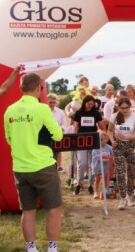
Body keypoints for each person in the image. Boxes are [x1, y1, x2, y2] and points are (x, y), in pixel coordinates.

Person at [4, 73, 63, 252]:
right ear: (39, 88)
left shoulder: (10, 110)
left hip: (20, 169)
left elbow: (9, 139)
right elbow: (58, 136)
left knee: (28, 211)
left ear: (21, 88)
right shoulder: (42, 108)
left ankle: (32, 249)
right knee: (53, 209)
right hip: (43, 166)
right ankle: (52, 249)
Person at [107, 97, 135, 210]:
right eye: (122, 108)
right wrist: (112, 141)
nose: (125, 110)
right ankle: (122, 198)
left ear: (130, 107)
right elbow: (109, 130)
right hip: (118, 145)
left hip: (131, 145)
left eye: (127, 108)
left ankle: (130, 195)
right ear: (119, 107)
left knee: (131, 171)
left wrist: (126, 136)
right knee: (120, 171)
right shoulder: (115, 116)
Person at [72, 95, 106, 195]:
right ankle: (79, 182)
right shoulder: (79, 113)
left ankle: (91, 184)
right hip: (81, 140)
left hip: (93, 140)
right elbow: (75, 128)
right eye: (88, 104)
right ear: (84, 103)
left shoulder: (96, 113)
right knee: (81, 163)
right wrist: (74, 141)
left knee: (93, 164)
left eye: (92, 104)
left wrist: (102, 134)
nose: (90, 106)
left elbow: (102, 126)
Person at [47, 93, 68, 172]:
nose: (52, 101)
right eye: (50, 99)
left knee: (58, 151)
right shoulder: (43, 111)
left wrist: (60, 129)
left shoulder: (60, 112)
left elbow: (64, 124)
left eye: (54, 99)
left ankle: (58, 166)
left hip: (57, 135)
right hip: (46, 136)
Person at [91, 132, 113, 199]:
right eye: (103, 139)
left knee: (105, 178)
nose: (105, 140)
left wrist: (109, 157)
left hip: (105, 166)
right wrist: (103, 156)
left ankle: (105, 191)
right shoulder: (96, 147)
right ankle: (95, 192)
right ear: (100, 140)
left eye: (106, 139)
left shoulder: (109, 147)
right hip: (96, 166)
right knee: (97, 179)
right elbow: (94, 155)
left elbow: (112, 155)